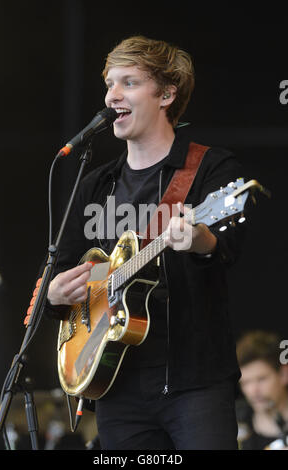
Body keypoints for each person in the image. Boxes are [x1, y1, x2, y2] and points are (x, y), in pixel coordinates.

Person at [45, 35, 246, 450]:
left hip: (195, 383)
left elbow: (227, 246)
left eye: (129, 83)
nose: (111, 95)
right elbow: (63, 269)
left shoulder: (210, 167)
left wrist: (198, 238)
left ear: (167, 94)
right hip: (115, 382)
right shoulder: (96, 184)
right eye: (109, 83)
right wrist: (55, 293)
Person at [236, 330, 288, 450]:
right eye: (246, 382)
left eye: (261, 379)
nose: (253, 391)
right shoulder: (233, 423)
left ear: (284, 374)